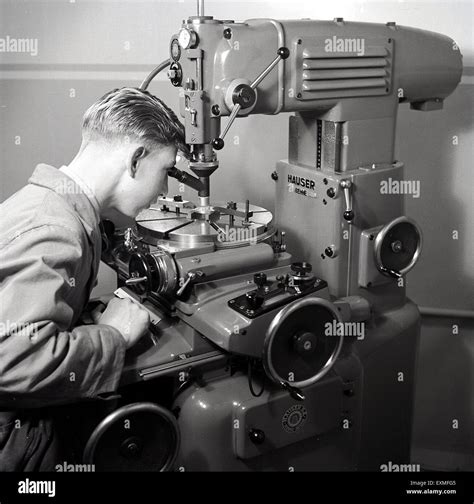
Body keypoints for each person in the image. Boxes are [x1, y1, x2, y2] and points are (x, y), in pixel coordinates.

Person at [0, 87, 189, 470]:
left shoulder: (46, 204)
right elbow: (13, 361)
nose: (166, 189)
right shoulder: (55, 230)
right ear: (136, 159)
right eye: (166, 170)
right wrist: (113, 335)